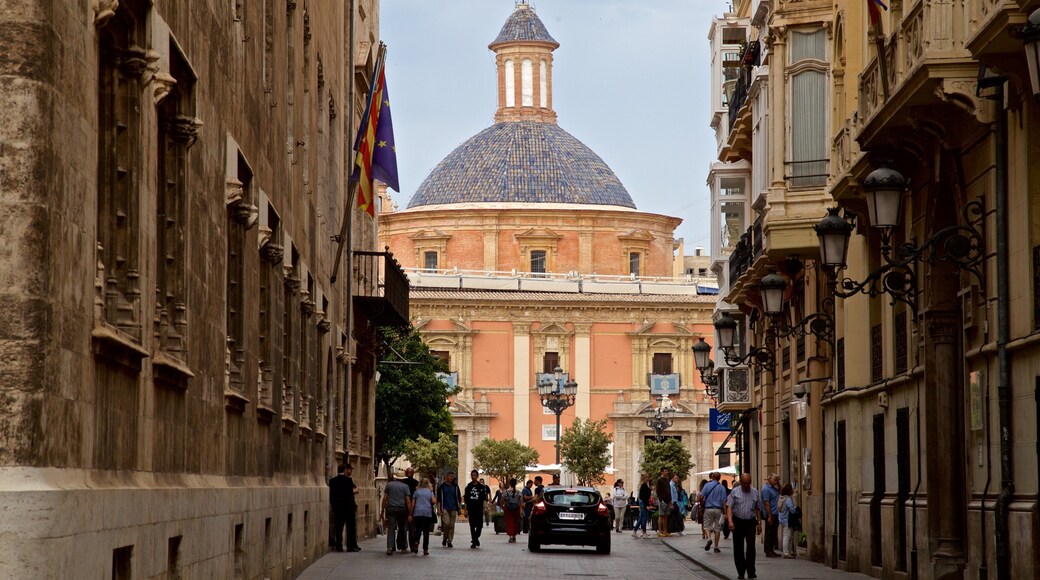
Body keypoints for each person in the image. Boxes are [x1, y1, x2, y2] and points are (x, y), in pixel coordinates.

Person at [726, 473, 763, 579]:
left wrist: (759, 523)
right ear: (741, 482)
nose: (747, 486)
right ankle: (741, 571)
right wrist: (730, 521)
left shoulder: (755, 492)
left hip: (750, 522)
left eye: (748, 483)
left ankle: (751, 571)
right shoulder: (735, 492)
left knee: (751, 547)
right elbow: (729, 507)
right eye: (745, 483)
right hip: (738, 521)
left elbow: (758, 509)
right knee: (738, 547)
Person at [328, 464, 361, 552]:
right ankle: (350, 546)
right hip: (348, 508)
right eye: (350, 470)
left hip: (338, 508)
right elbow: (354, 491)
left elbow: (332, 495)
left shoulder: (332, 481)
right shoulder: (348, 481)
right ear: (346, 470)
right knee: (350, 528)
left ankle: (339, 546)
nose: (351, 472)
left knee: (339, 527)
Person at [381, 471, 413, 556]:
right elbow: (408, 501)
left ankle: (390, 547)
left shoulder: (389, 485)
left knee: (391, 528)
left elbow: (385, 498)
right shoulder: (405, 486)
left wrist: (382, 510)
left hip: (391, 508)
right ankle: (403, 547)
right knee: (402, 528)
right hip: (402, 509)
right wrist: (410, 512)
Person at [700, 471, 727, 554]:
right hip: (718, 509)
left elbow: (701, 496)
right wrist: (725, 512)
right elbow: (724, 501)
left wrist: (701, 503)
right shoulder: (722, 488)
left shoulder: (707, 485)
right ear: (719, 478)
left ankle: (709, 538)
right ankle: (716, 547)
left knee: (707, 525)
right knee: (717, 528)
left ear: (712, 477)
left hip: (708, 508)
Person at [463, 470, 491, 548]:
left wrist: (485, 507)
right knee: (472, 525)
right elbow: (466, 500)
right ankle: (474, 541)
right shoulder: (468, 487)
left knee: (479, 525)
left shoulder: (481, 487)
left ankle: (476, 537)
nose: (473, 477)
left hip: (479, 508)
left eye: (475, 475)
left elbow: (484, 499)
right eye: (472, 475)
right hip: (471, 508)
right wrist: (465, 510)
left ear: (477, 476)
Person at [411, 477, 437, 556]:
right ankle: (425, 549)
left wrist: (411, 513)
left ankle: (416, 542)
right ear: (428, 484)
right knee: (426, 532)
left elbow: (413, 504)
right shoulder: (430, 492)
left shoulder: (416, 492)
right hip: (427, 513)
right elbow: (434, 501)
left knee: (418, 529)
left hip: (417, 512)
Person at [437, 471, 462, 548]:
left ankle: (449, 541)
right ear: (446, 477)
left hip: (453, 508)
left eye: (452, 476)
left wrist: (459, 508)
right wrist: (438, 509)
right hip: (445, 508)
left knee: (452, 525)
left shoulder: (455, 487)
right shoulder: (442, 487)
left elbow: (459, 498)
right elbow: (439, 499)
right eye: (449, 476)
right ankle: (445, 537)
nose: (450, 478)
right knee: (446, 524)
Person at [760, 473, 780, 558]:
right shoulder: (766, 489)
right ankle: (768, 551)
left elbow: (781, 491)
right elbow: (766, 503)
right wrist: (769, 516)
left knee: (773, 533)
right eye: (775, 480)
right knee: (769, 533)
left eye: (777, 480)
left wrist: (778, 483)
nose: (776, 481)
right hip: (770, 514)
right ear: (769, 479)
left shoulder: (774, 488)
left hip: (775, 513)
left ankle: (771, 550)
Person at [402, 467, 420, 554]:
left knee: (403, 527)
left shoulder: (402, 483)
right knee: (412, 528)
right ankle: (412, 546)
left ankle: (402, 546)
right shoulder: (416, 483)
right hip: (414, 507)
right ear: (413, 474)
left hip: (403, 506)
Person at [499, 478, 523, 543]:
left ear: (510, 483)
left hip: (508, 508)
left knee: (509, 522)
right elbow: (521, 502)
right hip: (516, 508)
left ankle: (511, 536)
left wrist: (502, 507)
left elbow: (502, 500)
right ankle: (514, 535)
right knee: (515, 522)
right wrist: (521, 510)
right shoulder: (519, 492)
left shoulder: (506, 492)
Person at [778, 483, 797, 558]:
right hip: (787, 519)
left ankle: (788, 552)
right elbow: (791, 509)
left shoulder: (781, 498)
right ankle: (786, 553)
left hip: (782, 519)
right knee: (787, 536)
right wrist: (795, 510)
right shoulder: (788, 499)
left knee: (787, 536)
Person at [655, 467, 672, 537]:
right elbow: (658, 491)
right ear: (662, 472)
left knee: (666, 516)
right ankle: (660, 530)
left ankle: (665, 530)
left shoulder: (667, 479)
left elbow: (669, 490)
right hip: (662, 500)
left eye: (667, 471)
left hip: (667, 500)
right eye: (665, 471)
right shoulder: (659, 480)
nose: (666, 472)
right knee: (661, 515)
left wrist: (670, 500)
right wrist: (660, 500)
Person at [634, 473, 652, 538]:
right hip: (643, 502)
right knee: (644, 517)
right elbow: (644, 496)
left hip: (642, 502)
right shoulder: (644, 485)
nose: (648, 478)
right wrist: (647, 505)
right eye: (647, 477)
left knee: (641, 517)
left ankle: (635, 530)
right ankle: (644, 532)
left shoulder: (644, 485)